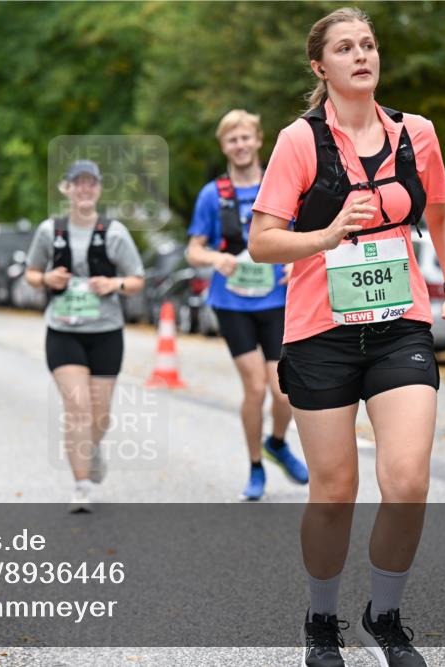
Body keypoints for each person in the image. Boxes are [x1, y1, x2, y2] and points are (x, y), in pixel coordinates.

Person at [248, 8, 445, 667]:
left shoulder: (416, 133)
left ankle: (386, 614)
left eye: (369, 44)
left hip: (398, 324)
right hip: (319, 329)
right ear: (321, 67)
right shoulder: (299, 141)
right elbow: (263, 240)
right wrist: (324, 235)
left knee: (406, 478)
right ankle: (322, 621)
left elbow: (439, 209)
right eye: (345, 47)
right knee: (334, 489)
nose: (362, 55)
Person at [186, 109, 308, 501]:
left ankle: (277, 443)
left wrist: (295, 261)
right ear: (224, 146)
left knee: (284, 390)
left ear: (258, 141)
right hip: (232, 303)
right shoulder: (212, 194)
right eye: (231, 140)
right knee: (255, 388)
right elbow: (193, 250)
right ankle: (255, 467)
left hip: (276, 300)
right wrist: (213, 260)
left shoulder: (281, 184)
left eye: (245, 138)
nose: (239, 146)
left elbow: (304, 236)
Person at [24, 160, 145, 513]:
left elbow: (136, 279)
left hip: (106, 332)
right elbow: (31, 273)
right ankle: (80, 486)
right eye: (78, 183)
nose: (84, 189)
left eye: (91, 183)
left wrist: (114, 284)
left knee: (100, 415)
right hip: (63, 331)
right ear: (67, 189)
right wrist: (46, 280)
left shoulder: (115, 232)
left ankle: (91, 450)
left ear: (99, 188)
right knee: (76, 407)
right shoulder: (50, 231)